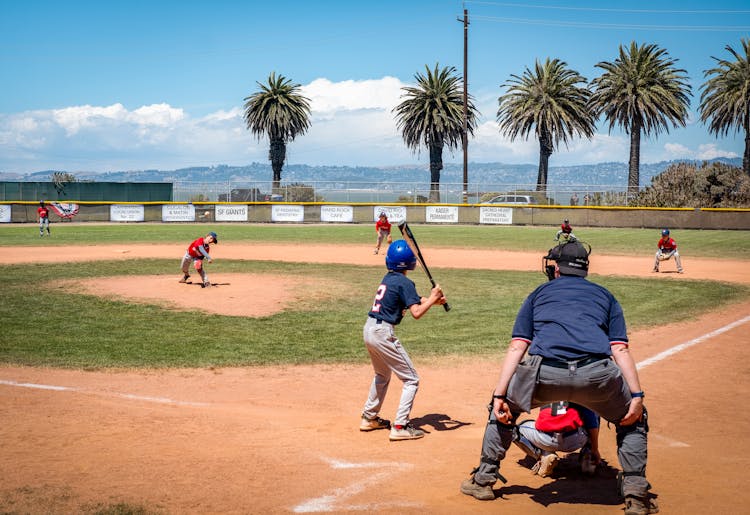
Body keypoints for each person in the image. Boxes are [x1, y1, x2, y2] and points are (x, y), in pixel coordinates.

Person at [460, 240, 656, 515]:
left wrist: (499, 395)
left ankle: (483, 479)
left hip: (545, 373)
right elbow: (619, 349)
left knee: (502, 412)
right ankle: (636, 495)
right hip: (596, 374)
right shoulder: (605, 296)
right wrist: (636, 397)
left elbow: (518, 345)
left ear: (557, 269)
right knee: (634, 420)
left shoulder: (539, 293)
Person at [360, 240, 447, 441]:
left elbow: (414, 300)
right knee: (411, 379)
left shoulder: (390, 279)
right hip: (382, 333)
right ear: (409, 262)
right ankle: (400, 426)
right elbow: (416, 312)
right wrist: (433, 298)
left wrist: (433, 301)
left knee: (382, 374)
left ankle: (369, 417)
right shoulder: (405, 282)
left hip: (369, 329)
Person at [513, 401, 600, 478]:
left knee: (515, 430)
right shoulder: (578, 389)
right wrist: (595, 449)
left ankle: (544, 454)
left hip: (546, 440)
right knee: (593, 408)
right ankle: (588, 457)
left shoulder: (545, 385)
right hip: (574, 440)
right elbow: (592, 423)